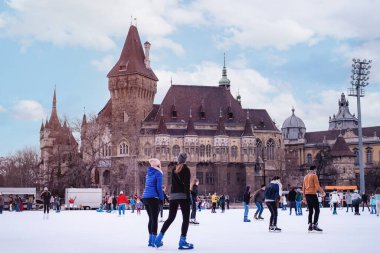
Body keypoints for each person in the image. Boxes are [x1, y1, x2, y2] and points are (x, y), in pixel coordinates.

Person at [154, 152, 194, 250]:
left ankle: (158, 239)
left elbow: (173, 184)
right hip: (183, 196)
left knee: (170, 218)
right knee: (185, 219)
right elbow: (186, 185)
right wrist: (189, 198)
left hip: (173, 196)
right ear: (185, 160)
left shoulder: (173, 169)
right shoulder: (186, 169)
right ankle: (182, 241)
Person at [141, 158, 164, 247]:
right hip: (153, 198)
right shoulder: (158, 173)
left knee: (151, 219)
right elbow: (159, 187)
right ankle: (154, 240)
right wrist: (161, 198)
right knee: (154, 219)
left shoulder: (148, 174)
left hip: (145, 197)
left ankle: (150, 240)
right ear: (158, 165)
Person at [302, 166, 325, 232]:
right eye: (316, 170)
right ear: (314, 169)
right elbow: (317, 186)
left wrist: (304, 197)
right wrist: (322, 192)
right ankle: (315, 224)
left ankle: (310, 225)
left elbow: (303, 187)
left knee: (311, 210)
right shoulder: (314, 176)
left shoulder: (305, 176)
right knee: (317, 210)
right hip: (312, 194)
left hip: (307, 195)